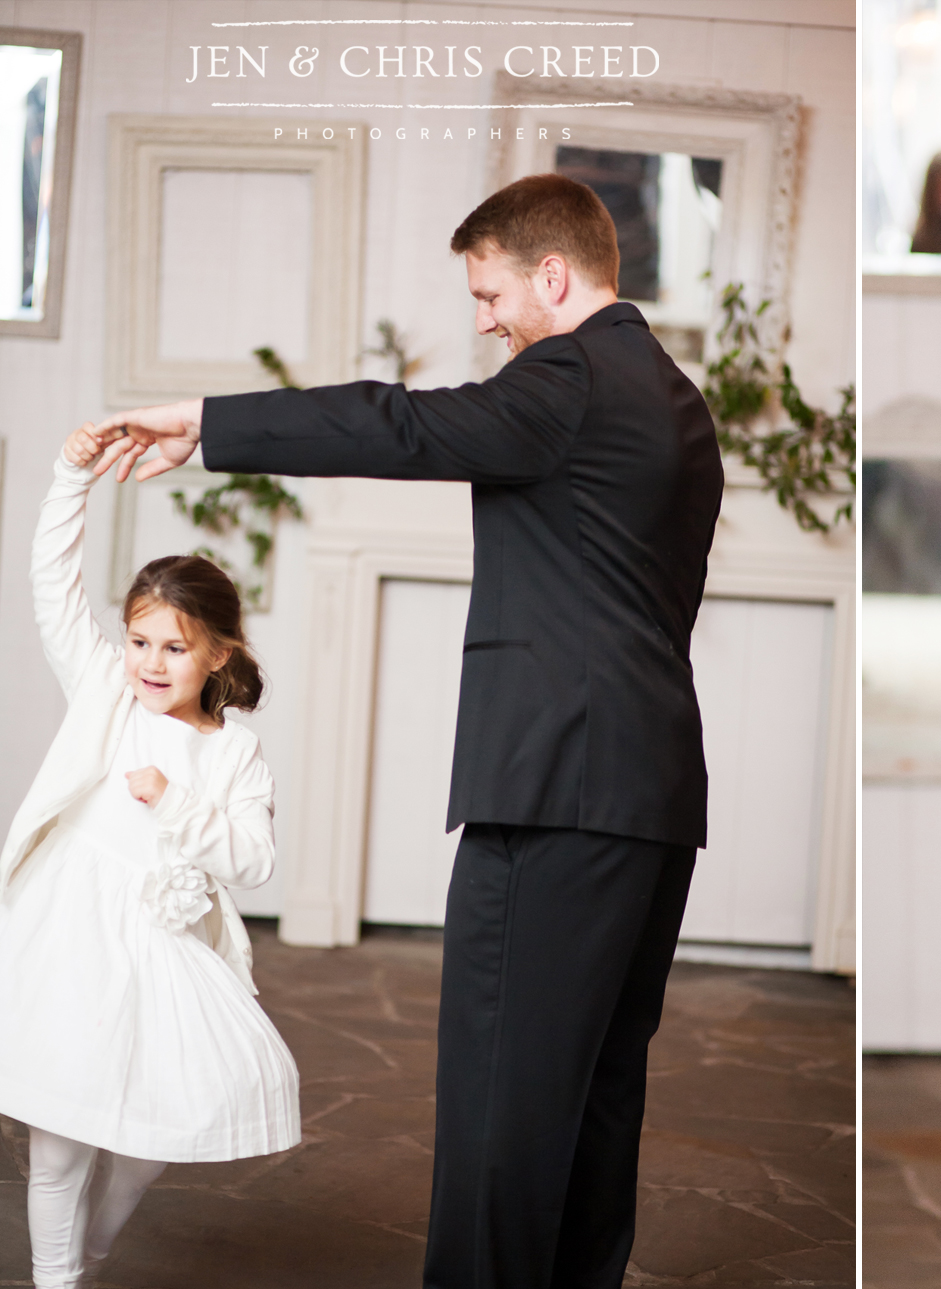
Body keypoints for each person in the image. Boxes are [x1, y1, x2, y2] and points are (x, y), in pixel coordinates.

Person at [92, 173, 725, 1289]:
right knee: (593, 1089)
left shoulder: (570, 375)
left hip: (555, 791)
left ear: (553, 274)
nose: (483, 320)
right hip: (652, 790)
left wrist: (204, 423)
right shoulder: (674, 394)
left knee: (503, 1093)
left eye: (489, 294)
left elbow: (404, 423)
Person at [0, 423, 300, 1289]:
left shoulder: (233, 753)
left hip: (165, 954)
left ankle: (87, 1253)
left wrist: (177, 804)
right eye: (139, 640)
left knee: (147, 1142)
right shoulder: (105, 694)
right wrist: (71, 477)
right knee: (58, 1141)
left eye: (174, 646)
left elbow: (250, 861)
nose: (151, 661)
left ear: (218, 653)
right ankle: (56, 1278)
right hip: (70, 934)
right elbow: (53, 585)